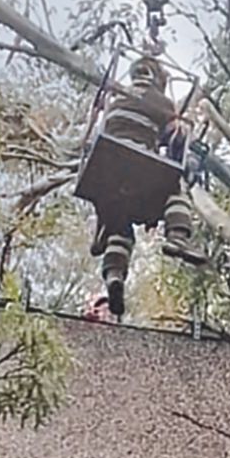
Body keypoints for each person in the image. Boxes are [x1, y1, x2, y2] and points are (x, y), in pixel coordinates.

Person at [89, 55, 205, 316]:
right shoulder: (159, 100)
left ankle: (115, 275)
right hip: (138, 161)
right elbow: (175, 132)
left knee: (121, 224)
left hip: (107, 171)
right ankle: (178, 237)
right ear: (156, 78)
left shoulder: (118, 96)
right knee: (176, 186)